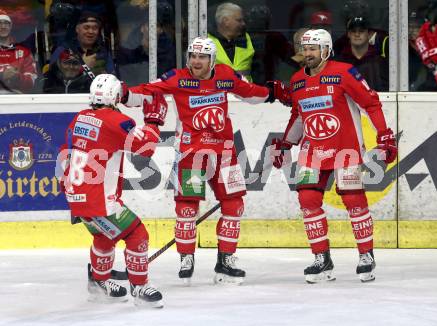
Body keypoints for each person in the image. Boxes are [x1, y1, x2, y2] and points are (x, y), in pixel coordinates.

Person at [122, 37, 277, 285]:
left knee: (234, 205)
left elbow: (249, 93)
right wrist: (125, 93)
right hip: (190, 153)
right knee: (186, 207)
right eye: (193, 55)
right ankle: (186, 258)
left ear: (212, 59)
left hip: (224, 151)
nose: (196, 61)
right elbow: (149, 91)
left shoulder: (225, 75)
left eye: (202, 57)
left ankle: (226, 259)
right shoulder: (178, 77)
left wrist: (271, 93)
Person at [270, 29, 397, 283]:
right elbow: (298, 115)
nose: (308, 53)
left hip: (345, 149)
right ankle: (321, 258)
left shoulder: (345, 72)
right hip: (312, 151)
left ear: (326, 50)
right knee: (307, 199)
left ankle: (366, 256)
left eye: (313, 48)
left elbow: (370, 103)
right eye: (305, 49)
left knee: (354, 201)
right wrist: (286, 143)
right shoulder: (297, 80)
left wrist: (384, 134)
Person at [57, 74, 167, 307]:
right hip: (99, 201)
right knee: (137, 235)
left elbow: (65, 152)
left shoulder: (80, 118)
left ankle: (99, 283)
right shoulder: (116, 121)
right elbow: (145, 148)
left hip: (75, 195)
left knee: (103, 236)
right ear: (116, 96)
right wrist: (154, 121)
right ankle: (139, 287)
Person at [50, 11, 115, 78]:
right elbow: (53, 80)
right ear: (77, 29)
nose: (91, 31)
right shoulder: (62, 50)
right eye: (86, 28)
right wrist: (83, 67)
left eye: (95, 28)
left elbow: (113, 77)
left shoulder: (103, 51)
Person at [336, 16, 389, 91]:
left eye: (361, 31)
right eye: (353, 31)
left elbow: (386, 90)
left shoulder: (380, 61)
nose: (357, 34)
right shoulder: (339, 62)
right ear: (348, 34)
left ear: (369, 34)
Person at [208, 2, 255, 82]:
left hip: (245, 92)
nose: (243, 24)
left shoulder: (247, 38)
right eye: (239, 20)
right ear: (225, 21)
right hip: (217, 93)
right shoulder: (205, 40)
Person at [0, 9, 37, 94]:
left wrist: (16, 77)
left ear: (10, 27)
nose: (3, 26)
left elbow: (31, 83)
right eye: (0, 23)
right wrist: (2, 76)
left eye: (6, 23)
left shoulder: (24, 52)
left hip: (17, 100)